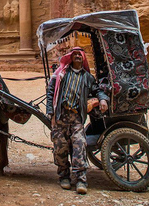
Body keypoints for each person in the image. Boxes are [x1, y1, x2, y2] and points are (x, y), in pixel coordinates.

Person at [46, 47, 109, 194]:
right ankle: (64, 177)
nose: (77, 56)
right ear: (70, 57)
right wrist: (51, 112)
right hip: (61, 116)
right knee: (60, 148)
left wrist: (102, 99)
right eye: (74, 54)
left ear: (83, 58)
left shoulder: (88, 77)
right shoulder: (60, 74)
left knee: (79, 146)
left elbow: (97, 90)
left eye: (80, 55)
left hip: (76, 119)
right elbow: (50, 92)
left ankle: (81, 180)